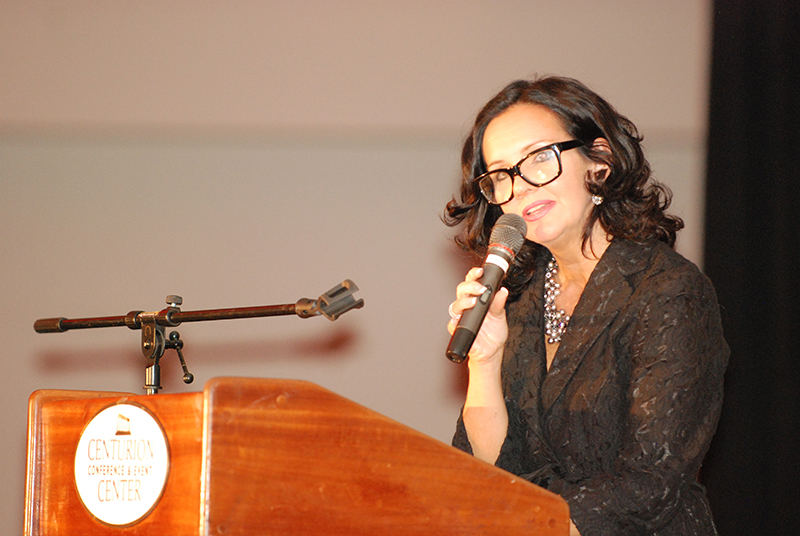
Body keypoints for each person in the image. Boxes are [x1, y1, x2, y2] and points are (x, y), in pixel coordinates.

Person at [444, 76, 728, 536]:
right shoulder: (518, 299)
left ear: (599, 161)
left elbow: (647, 485)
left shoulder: (668, 290)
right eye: (501, 175)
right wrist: (485, 359)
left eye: (539, 158)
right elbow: (489, 470)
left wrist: (529, 522)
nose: (520, 187)